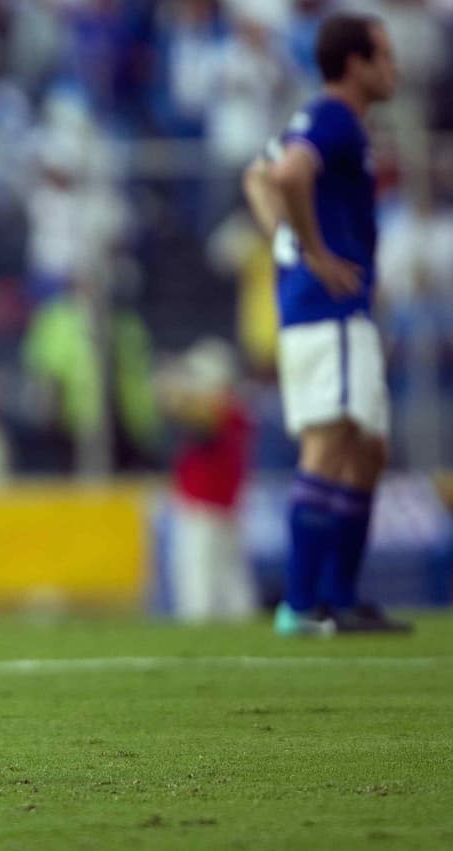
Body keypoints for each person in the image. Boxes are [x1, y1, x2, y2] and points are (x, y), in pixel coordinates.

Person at [242, 13, 408, 635]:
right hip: (327, 307)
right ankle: (303, 603)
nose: (395, 68)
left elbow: (259, 172)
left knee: (366, 449)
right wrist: (309, 249)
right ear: (356, 64)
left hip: (333, 309)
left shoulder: (327, 122)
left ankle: (338, 597)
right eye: (385, 56)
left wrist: (282, 237)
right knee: (330, 444)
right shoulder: (333, 116)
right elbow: (284, 174)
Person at [158, 338, 255, 622]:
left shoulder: (222, 409)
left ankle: (203, 627)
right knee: (229, 576)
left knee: (199, 578)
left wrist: (172, 387)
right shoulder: (235, 408)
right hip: (219, 506)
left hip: (204, 506)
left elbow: (192, 416)